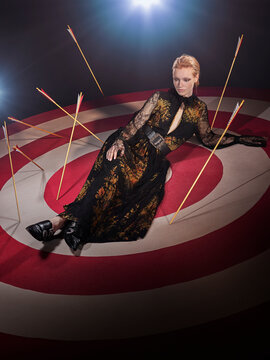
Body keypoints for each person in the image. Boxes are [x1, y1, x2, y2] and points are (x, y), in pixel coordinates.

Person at [26, 54, 267, 251]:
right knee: (112, 174)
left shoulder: (199, 110)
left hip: (152, 162)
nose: (180, 85)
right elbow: (136, 122)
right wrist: (120, 141)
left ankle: (66, 225)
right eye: (176, 79)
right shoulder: (159, 97)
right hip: (130, 144)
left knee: (123, 190)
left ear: (196, 78)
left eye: (185, 79)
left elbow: (208, 138)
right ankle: (63, 224)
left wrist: (240, 139)